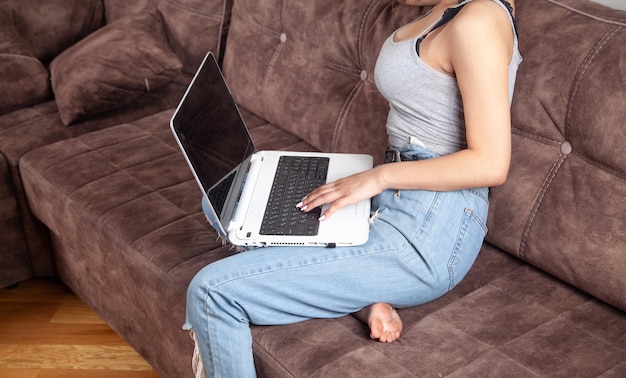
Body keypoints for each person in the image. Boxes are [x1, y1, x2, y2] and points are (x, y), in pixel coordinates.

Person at [185, 0, 522, 376]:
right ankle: (362, 296)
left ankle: (358, 284)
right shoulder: (445, 9)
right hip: (392, 193)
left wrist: (376, 177)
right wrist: (374, 178)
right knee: (228, 203)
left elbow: (491, 163)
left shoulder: (479, 19)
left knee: (213, 292)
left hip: (429, 229)